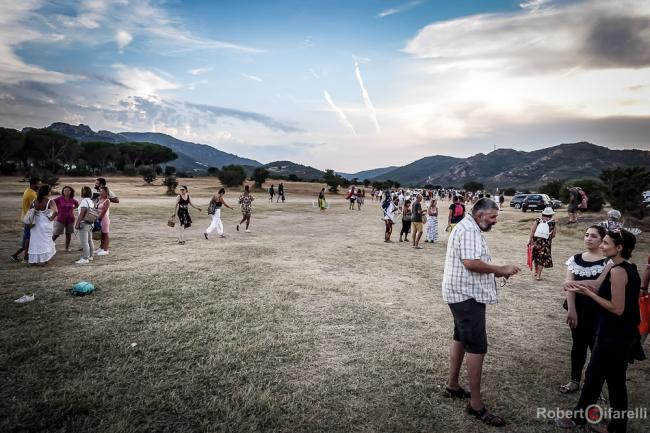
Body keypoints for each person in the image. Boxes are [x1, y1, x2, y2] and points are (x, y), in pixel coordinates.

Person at [442, 198, 520, 427]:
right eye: (493, 217)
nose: (495, 221)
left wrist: (495, 272)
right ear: (480, 214)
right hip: (466, 296)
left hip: (462, 293)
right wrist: (500, 269)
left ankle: (452, 386)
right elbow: (471, 263)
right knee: (476, 346)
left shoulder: (470, 227)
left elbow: (474, 262)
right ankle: (475, 405)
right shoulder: (468, 230)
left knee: (460, 337)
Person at [557, 230, 645, 432]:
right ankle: (617, 427)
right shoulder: (622, 266)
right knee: (616, 381)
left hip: (614, 335)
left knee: (594, 375)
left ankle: (578, 419)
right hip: (620, 334)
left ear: (619, 247)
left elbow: (617, 308)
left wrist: (588, 294)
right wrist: (573, 284)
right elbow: (596, 284)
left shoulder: (618, 271)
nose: (602, 246)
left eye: (605, 243)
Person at [559, 225, 609, 395]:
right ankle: (574, 381)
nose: (588, 238)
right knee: (578, 345)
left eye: (593, 236)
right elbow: (568, 286)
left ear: (602, 239)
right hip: (578, 309)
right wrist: (571, 309)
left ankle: (595, 386)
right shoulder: (575, 259)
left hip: (599, 311)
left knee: (596, 348)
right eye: (586, 235)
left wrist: (576, 286)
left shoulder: (608, 262)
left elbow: (599, 288)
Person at [11, 177, 41, 262]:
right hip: (30, 219)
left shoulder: (28, 190)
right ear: (33, 184)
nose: (40, 185)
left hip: (27, 217)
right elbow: (36, 207)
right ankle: (25, 257)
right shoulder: (32, 194)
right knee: (28, 239)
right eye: (38, 184)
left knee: (28, 238)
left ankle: (16, 255)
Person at [27, 185, 58, 265]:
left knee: (35, 241)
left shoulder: (34, 201)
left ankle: (34, 260)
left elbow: (30, 211)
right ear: (48, 192)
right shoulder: (49, 201)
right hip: (45, 223)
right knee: (45, 241)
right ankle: (45, 260)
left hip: (35, 224)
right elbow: (56, 211)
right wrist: (51, 218)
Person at [528, 207, 557, 281]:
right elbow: (553, 235)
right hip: (546, 243)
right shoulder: (553, 222)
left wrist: (529, 240)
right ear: (551, 214)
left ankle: (535, 271)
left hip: (536, 241)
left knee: (536, 256)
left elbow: (532, 231)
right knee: (542, 258)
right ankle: (538, 275)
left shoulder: (538, 220)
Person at [52, 185, 79, 252]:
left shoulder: (72, 200)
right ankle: (48, 246)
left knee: (68, 234)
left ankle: (66, 248)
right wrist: (55, 210)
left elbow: (77, 205)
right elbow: (51, 203)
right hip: (60, 219)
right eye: (65, 190)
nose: (66, 191)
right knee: (56, 234)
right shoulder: (59, 199)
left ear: (71, 192)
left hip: (70, 219)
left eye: (68, 190)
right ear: (63, 191)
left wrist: (73, 208)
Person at [74, 186, 96, 264]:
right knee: (90, 240)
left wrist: (77, 224)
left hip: (84, 223)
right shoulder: (91, 201)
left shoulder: (84, 201)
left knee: (84, 242)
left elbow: (81, 214)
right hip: (90, 223)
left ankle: (85, 258)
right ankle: (91, 256)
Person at [96, 186, 115, 254]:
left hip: (104, 219)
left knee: (105, 234)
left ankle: (106, 249)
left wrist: (99, 219)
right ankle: (101, 247)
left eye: (102, 191)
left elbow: (104, 211)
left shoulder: (107, 200)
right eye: (100, 191)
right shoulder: (99, 199)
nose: (100, 192)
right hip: (99, 218)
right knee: (102, 234)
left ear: (106, 192)